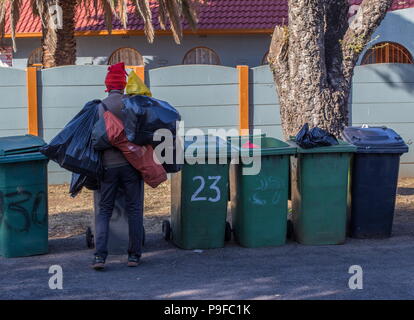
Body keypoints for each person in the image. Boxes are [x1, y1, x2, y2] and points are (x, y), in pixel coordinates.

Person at [92, 62, 144, 270]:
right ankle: (134, 256)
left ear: (107, 85)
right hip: (132, 164)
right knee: (134, 209)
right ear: (123, 85)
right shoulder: (133, 104)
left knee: (104, 210)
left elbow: (95, 137)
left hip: (108, 166)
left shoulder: (100, 107)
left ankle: (100, 257)